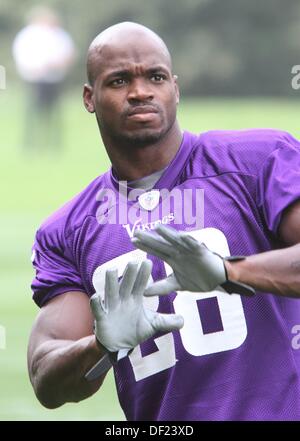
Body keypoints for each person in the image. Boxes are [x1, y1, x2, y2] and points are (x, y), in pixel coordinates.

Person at [28, 22, 300, 421]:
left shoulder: (258, 160)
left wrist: (228, 271)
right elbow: (45, 378)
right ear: (89, 97)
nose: (140, 92)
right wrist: (101, 345)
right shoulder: (68, 229)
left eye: (154, 77)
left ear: (175, 87)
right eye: (119, 80)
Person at [12, 6, 75, 150]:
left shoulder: (59, 35)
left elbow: (68, 54)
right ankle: (31, 142)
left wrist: (58, 64)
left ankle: (54, 143)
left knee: (54, 112)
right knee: (32, 111)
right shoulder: (28, 35)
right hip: (34, 79)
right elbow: (21, 55)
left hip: (54, 79)